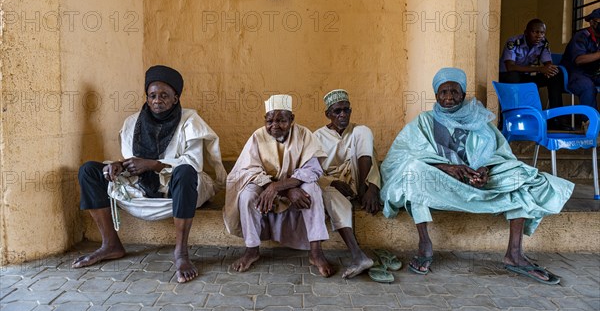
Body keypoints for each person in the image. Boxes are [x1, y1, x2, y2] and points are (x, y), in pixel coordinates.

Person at [380, 67, 574, 285]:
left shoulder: (479, 120)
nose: (449, 97)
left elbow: (501, 154)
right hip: (442, 182)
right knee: (413, 171)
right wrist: (449, 168)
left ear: (463, 94)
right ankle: (425, 244)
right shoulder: (424, 121)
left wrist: (484, 170)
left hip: (479, 182)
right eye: (443, 92)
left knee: (520, 175)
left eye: (454, 92)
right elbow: (402, 155)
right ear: (436, 96)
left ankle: (514, 253)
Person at [74, 65, 227, 283]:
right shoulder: (132, 122)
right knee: (89, 170)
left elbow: (193, 164)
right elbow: (130, 159)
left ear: (176, 98)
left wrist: (153, 164)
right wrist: (118, 165)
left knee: (184, 172)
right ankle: (110, 244)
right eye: (152, 96)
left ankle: (181, 253)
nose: (157, 100)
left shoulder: (189, 121)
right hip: (140, 186)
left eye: (164, 95)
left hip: (180, 188)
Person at [224, 95, 334, 277]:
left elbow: (312, 169)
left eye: (281, 120)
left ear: (292, 119)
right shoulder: (257, 136)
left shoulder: (304, 134)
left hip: (295, 184)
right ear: (265, 121)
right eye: (270, 121)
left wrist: (282, 187)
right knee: (246, 195)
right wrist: (273, 187)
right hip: (266, 184)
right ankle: (252, 250)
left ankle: (316, 253)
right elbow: (248, 169)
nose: (274, 125)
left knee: (312, 190)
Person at [313, 89, 380, 278]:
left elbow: (372, 160)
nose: (343, 115)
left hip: (359, 180)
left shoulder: (358, 131)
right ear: (328, 114)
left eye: (346, 110)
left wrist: (372, 188)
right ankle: (358, 255)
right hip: (334, 184)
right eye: (337, 111)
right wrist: (333, 182)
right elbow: (313, 172)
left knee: (363, 130)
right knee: (330, 195)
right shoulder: (317, 136)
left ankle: (363, 189)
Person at [499, 19, 568, 129]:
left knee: (555, 74)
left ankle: (555, 119)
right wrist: (540, 69)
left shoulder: (543, 43)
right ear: (526, 32)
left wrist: (549, 69)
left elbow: (548, 65)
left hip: (526, 75)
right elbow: (510, 67)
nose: (539, 36)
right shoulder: (513, 42)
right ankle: (509, 120)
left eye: (542, 33)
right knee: (514, 76)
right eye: (535, 32)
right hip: (506, 77)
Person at [561, 8, 600, 113]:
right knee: (588, 87)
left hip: (593, 74)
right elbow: (579, 60)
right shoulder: (581, 36)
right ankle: (590, 122)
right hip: (574, 75)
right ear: (592, 22)